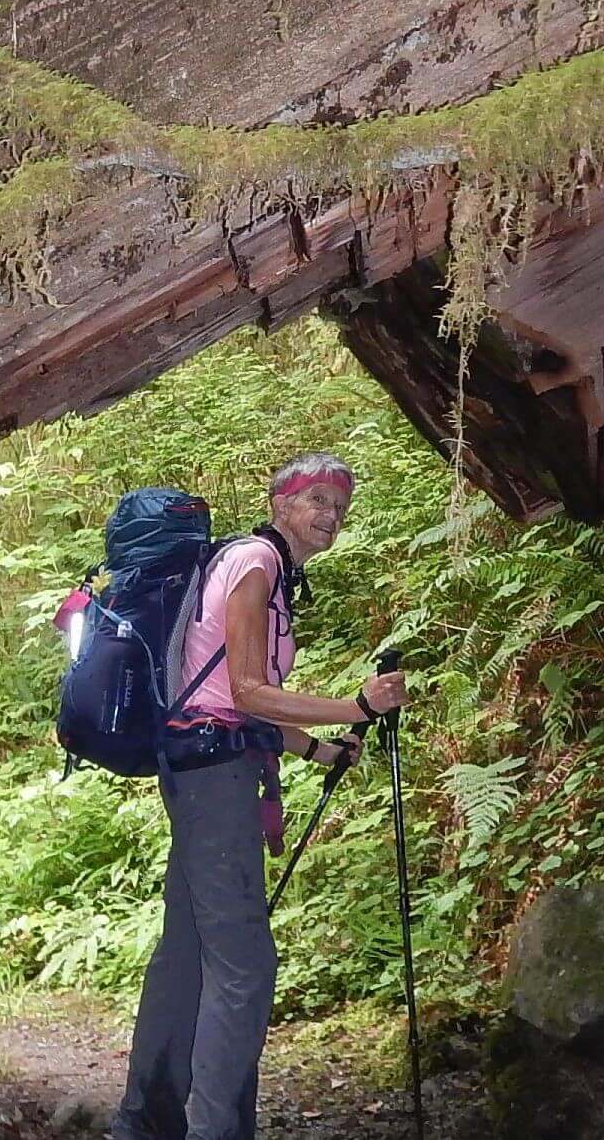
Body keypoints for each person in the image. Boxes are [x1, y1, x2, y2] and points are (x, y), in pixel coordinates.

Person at [112, 451, 411, 1140]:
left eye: (339, 504)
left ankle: (143, 1121)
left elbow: (230, 703)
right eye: (316, 501)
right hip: (214, 784)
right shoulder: (256, 564)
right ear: (281, 505)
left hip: (201, 771)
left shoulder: (258, 568)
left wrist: (319, 748)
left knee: (185, 953)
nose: (330, 515)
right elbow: (246, 692)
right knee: (244, 966)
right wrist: (354, 706)